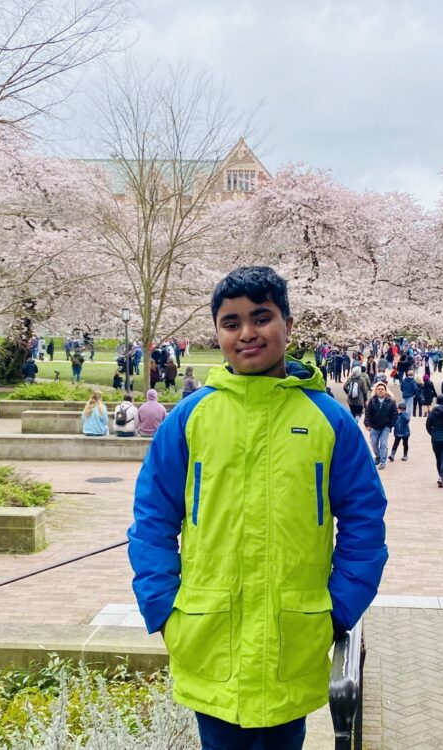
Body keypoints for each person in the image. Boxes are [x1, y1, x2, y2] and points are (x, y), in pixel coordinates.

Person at [128, 266, 387, 748]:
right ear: (218, 333)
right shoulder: (190, 418)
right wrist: (164, 609)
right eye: (231, 323)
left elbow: (365, 523)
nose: (247, 333)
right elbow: (151, 521)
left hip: (294, 637)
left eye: (261, 317)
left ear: (288, 323)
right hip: (208, 636)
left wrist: (339, 608)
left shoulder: (328, 419)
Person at [364, 381, 398, 470]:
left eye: (382, 389)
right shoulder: (372, 400)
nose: (380, 391)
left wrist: (390, 425)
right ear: (376, 390)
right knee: (374, 443)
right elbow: (367, 413)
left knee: (383, 444)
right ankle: (378, 456)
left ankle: (382, 462)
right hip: (374, 426)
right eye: (378, 389)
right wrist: (367, 424)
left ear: (385, 391)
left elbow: (395, 413)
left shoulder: (391, 401)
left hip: (385, 427)